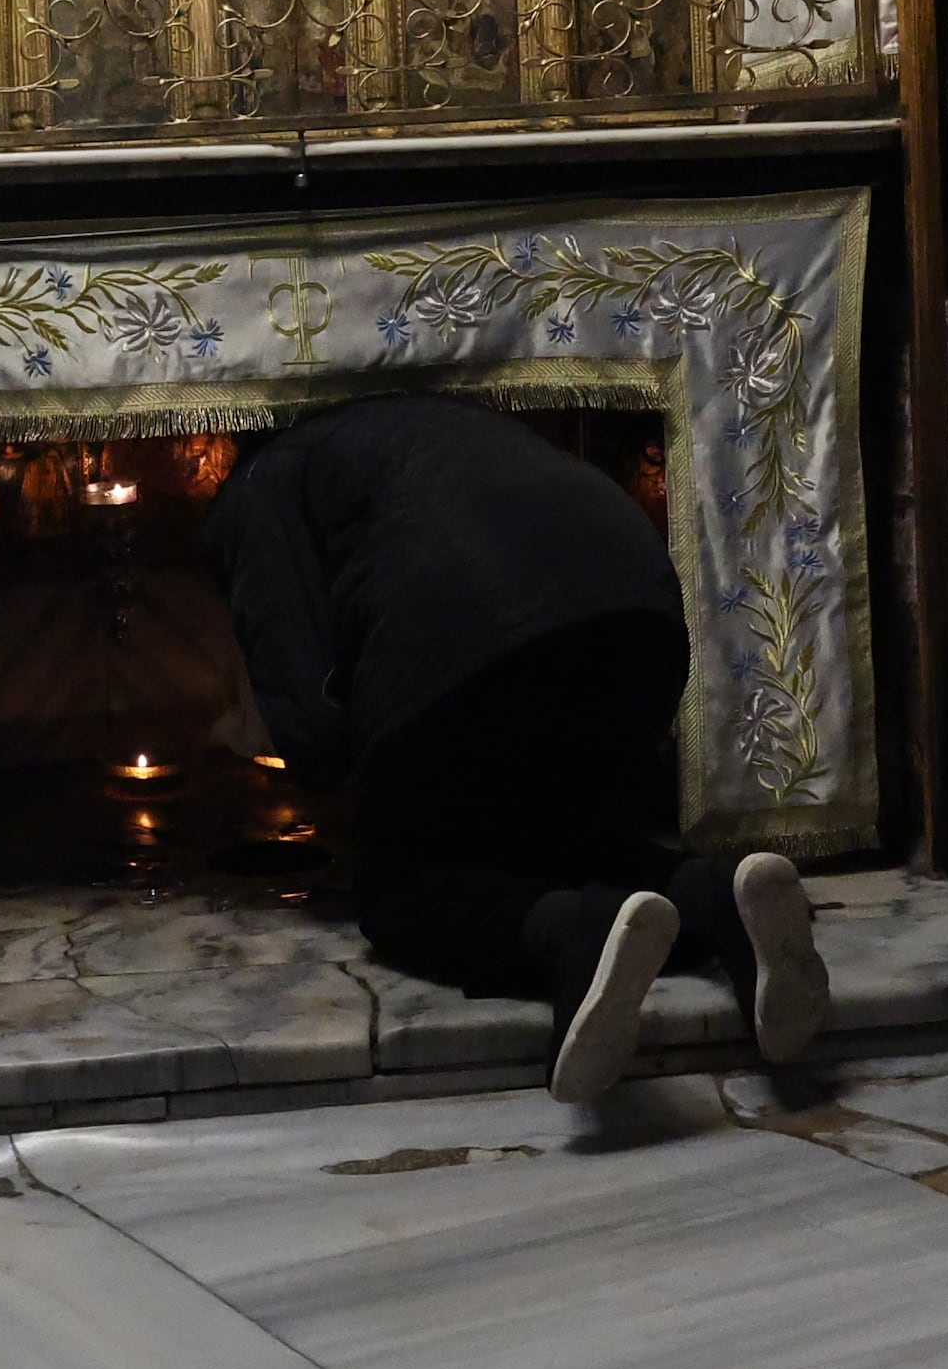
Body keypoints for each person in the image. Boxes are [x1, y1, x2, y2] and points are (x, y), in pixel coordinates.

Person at [207, 393, 832, 1104]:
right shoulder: (440, 415)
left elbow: (314, 741)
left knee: (404, 891)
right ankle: (718, 897)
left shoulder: (261, 483)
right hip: (637, 614)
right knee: (569, 838)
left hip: (465, 632)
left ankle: (567, 936)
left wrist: (246, 729)